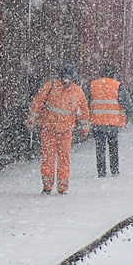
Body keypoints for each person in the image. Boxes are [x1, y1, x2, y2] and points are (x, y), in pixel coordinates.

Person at [27, 64, 90, 195]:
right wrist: (31, 120)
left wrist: (85, 126)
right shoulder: (51, 87)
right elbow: (37, 103)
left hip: (65, 132)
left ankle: (62, 187)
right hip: (48, 130)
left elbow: (83, 111)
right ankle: (48, 186)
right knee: (48, 158)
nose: (66, 80)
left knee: (63, 158)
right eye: (64, 77)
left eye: (68, 78)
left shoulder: (76, 92)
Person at [88, 62, 132, 177]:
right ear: (113, 74)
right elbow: (126, 103)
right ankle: (114, 169)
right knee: (113, 146)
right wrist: (132, 115)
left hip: (97, 123)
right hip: (113, 123)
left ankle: (101, 171)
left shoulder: (93, 85)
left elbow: (86, 102)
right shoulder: (117, 86)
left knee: (100, 148)